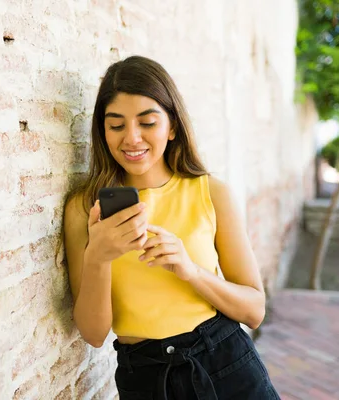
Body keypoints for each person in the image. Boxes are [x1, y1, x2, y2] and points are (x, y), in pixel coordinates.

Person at [63, 55, 279, 400]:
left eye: (147, 122)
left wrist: (190, 271)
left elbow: (254, 311)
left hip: (224, 364)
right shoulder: (84, 208)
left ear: (173, 126)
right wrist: (99, 258)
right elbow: (93, 333)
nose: (131, 138)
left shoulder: (211, 192)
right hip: (145, 378)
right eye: (116, 125)